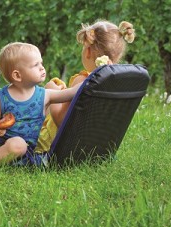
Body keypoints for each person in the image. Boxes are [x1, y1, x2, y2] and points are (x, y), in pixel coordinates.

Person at [0, 42, 80, 169]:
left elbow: (70, 93)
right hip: (0, 145)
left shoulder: (44, 95)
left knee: (20, 144)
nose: (42, 68)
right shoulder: (3, 96)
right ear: (17, 75)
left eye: (41, 63)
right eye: (35, 65)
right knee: (12, 141)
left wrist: (90, 79)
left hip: (24, 153)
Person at [34, 20, 135, 153]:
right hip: (93, 147)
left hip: (59, 145)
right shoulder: (115, 84)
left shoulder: (83, 80)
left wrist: (51, 92)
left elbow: (61, 121)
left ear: (87, 51)